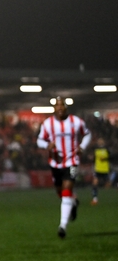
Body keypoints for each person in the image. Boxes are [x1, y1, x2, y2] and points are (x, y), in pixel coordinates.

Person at [36, 97, 91, 238]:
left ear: (66, 108)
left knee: (67, 189)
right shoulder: (48, 124)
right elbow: (39, 139)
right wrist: (46, 145)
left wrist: (82, 147)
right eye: (57, 106)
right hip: (56, 164)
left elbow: (87, 134)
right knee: (60, 193)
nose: (59, 108)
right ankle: (73, 203)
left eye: (62, 105)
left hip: (72, 162)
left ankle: (62, 226)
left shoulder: (76, 121)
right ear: (54, 108)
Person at [90, 137, 110, 205]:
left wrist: (105, 158)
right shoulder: (95, 149)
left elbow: (112, 157)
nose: (100, 142)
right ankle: (95, 199)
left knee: (108, 185)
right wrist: (91, 158)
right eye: (99, 141)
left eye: (101, 141)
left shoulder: (107, 149)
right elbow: (93, 159)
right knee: (95, 183)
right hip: (97, 169)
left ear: (103, 142)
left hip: (105, 169)